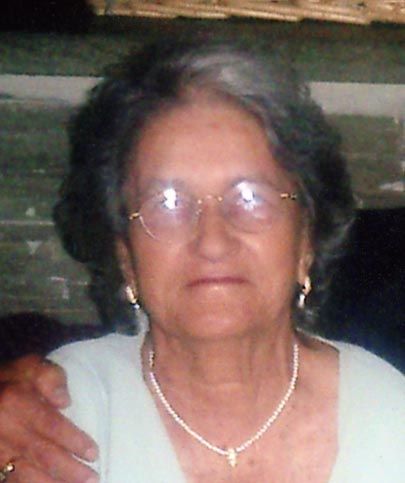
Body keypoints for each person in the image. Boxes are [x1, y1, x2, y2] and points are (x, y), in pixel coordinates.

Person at [0, 39, 403, 483]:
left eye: (251, 197)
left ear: (305, 240)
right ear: (126, 256)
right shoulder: (61, 416)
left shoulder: (388, 414)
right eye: (167, 203)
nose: (212, 240)